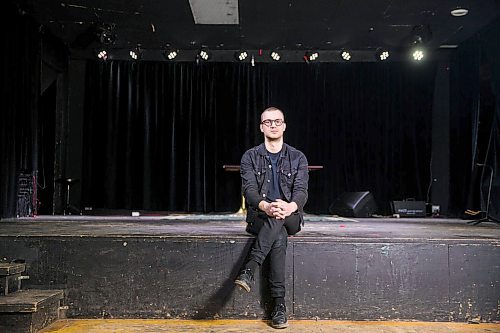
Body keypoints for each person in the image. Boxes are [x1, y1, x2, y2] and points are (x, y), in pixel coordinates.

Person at [235, 107, 309, 329]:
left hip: (291, 216)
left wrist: (289, 207)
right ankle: (279, 306)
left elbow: (302, 191)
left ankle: (250, 267)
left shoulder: (297, 157)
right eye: (268, 122)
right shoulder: (250, 156)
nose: (273, 125)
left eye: (278, 121)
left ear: (284, 125)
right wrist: (267, 206)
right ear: (261, 127)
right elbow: (249, 190)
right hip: (260, 216)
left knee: (279, 217)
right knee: (278, 235)